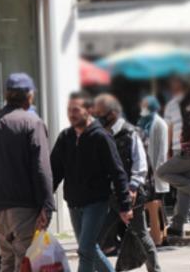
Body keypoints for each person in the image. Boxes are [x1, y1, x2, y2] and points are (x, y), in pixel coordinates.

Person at [51, 92, 132, 272]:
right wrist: (45, 200)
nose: (71, 114)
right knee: (90, 249)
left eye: (76, 110)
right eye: (69, 110)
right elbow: (55, 171)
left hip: (96, 203)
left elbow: (117, 172)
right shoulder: (65, 137)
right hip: (73, 203)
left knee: (85, 250)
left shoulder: (101, 137)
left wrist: (125, 205)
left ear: (89, 110)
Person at [0, 73, 54, 272]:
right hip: (24, 207)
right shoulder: (32, 122)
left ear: (6, 94)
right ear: (29, 95)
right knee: (25, 260)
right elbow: (42, 167)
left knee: (6, 258)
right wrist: (47, 205)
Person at [92, 94, 162, 272]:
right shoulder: (102, 134)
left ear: (113, 113)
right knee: (96, 237)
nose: (97, 117)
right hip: (110, 195)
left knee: (141, 234)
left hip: (130, 195)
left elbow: (141, 164)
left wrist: (133, 187)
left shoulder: (131, 133)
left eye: (101, 113)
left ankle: (155, 269)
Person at [156, 87, 190, 237]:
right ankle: (177, 227)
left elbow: (169, 129)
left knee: (161, 172)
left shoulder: (176, 105)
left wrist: (169, 149)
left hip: (185, 152)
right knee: (183, 191)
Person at [162, 77, 190, 225]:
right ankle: (188, 216)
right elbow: (169, 128)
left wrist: (168, 148)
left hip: (185, 148)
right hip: (180, 147)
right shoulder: (172, 104)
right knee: (184, 184)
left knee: (165, 174)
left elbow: (169, 129)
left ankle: (186, 216)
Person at [138, 96, 169, 198]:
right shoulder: (142, 122)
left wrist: (160, 170)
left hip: (155, 167)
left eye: (145, 106)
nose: (143, 108)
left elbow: (163, 150)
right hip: (145, 166)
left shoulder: (160, 124)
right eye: (142, 105)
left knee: (157, 204)